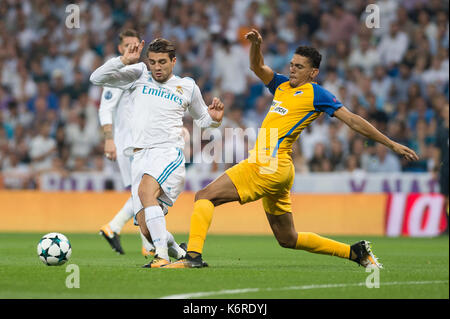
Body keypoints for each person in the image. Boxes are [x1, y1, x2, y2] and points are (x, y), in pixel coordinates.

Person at [163, 29, 419, 269]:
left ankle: (193, 256)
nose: (293, 69)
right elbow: (256, 66)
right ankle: (355, 252)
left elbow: (352, 119)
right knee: (288, 238)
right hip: (280, 170)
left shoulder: (316, 93)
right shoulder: (282, 86)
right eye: (292, 64)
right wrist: (256, 46)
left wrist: (390, 143)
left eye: (300, 66)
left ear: (313, 72)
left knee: (204, 196)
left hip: (267, 164)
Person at [90, 38, 224, 268]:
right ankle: (178, 252)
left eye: (162, 62)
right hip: (139, 157)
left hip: (167, 153)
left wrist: (214, 120)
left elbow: (203, 119)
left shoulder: (187, 86)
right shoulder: (139, 74)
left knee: (145, 191)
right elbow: (96, 78)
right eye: (152, 62)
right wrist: (124, 60)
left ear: (174, 61)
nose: (157, 67)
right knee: (146, 228)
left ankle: (161, 257)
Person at [98, 29, 155, 257]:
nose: (132, 48)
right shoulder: (117, 73)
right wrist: (109, 139)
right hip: (127, 142)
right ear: (121, 49)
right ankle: (144, 243)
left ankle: (117, 229)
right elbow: (105, 108)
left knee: (142, 191)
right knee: (145, 191)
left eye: (136, 44)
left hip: (140, 140)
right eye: (127, 45)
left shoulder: (140, 73)